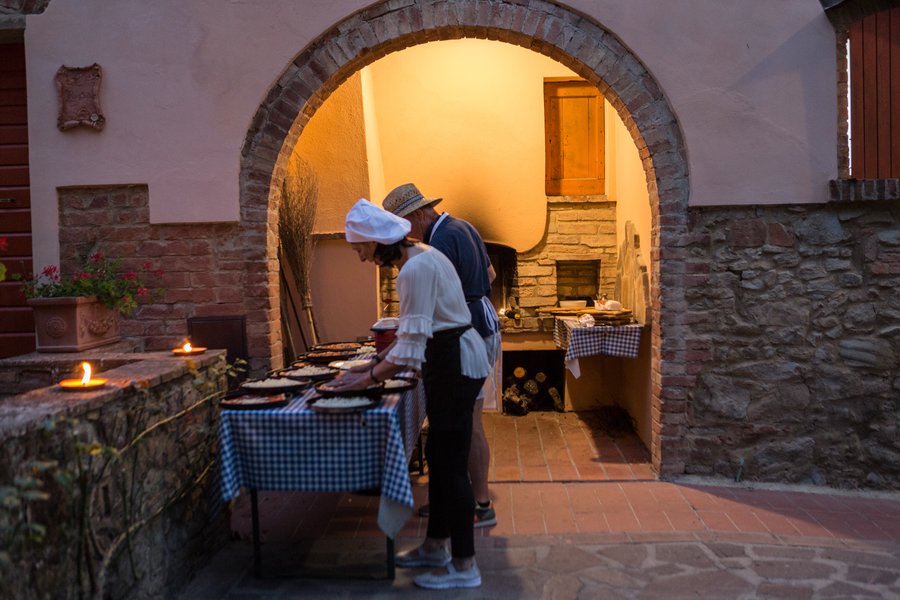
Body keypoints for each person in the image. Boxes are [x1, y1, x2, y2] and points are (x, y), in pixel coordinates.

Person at [328, 198, 491, 590]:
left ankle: (465, 565)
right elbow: (413, 336)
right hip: (450, 358)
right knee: (439, 455)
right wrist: (375, 368)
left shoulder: (414, 269)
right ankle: (436, 547)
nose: (362, 259)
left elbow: (412, 346)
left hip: (453, 361)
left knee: (452, 468)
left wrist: (367, 376)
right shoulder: (422, 254)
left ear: (377, 241)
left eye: (361, 249)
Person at [382, 183, 500, 529]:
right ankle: (456, 496)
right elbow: (490, 275)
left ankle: (478, 503)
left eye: (404, 226)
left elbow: (438, 293)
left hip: (467, 331)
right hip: (482, 318)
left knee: (468, 423)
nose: (403, 236)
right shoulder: (463, 226)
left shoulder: (440, 240)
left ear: (419, 215)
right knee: (465, 422)